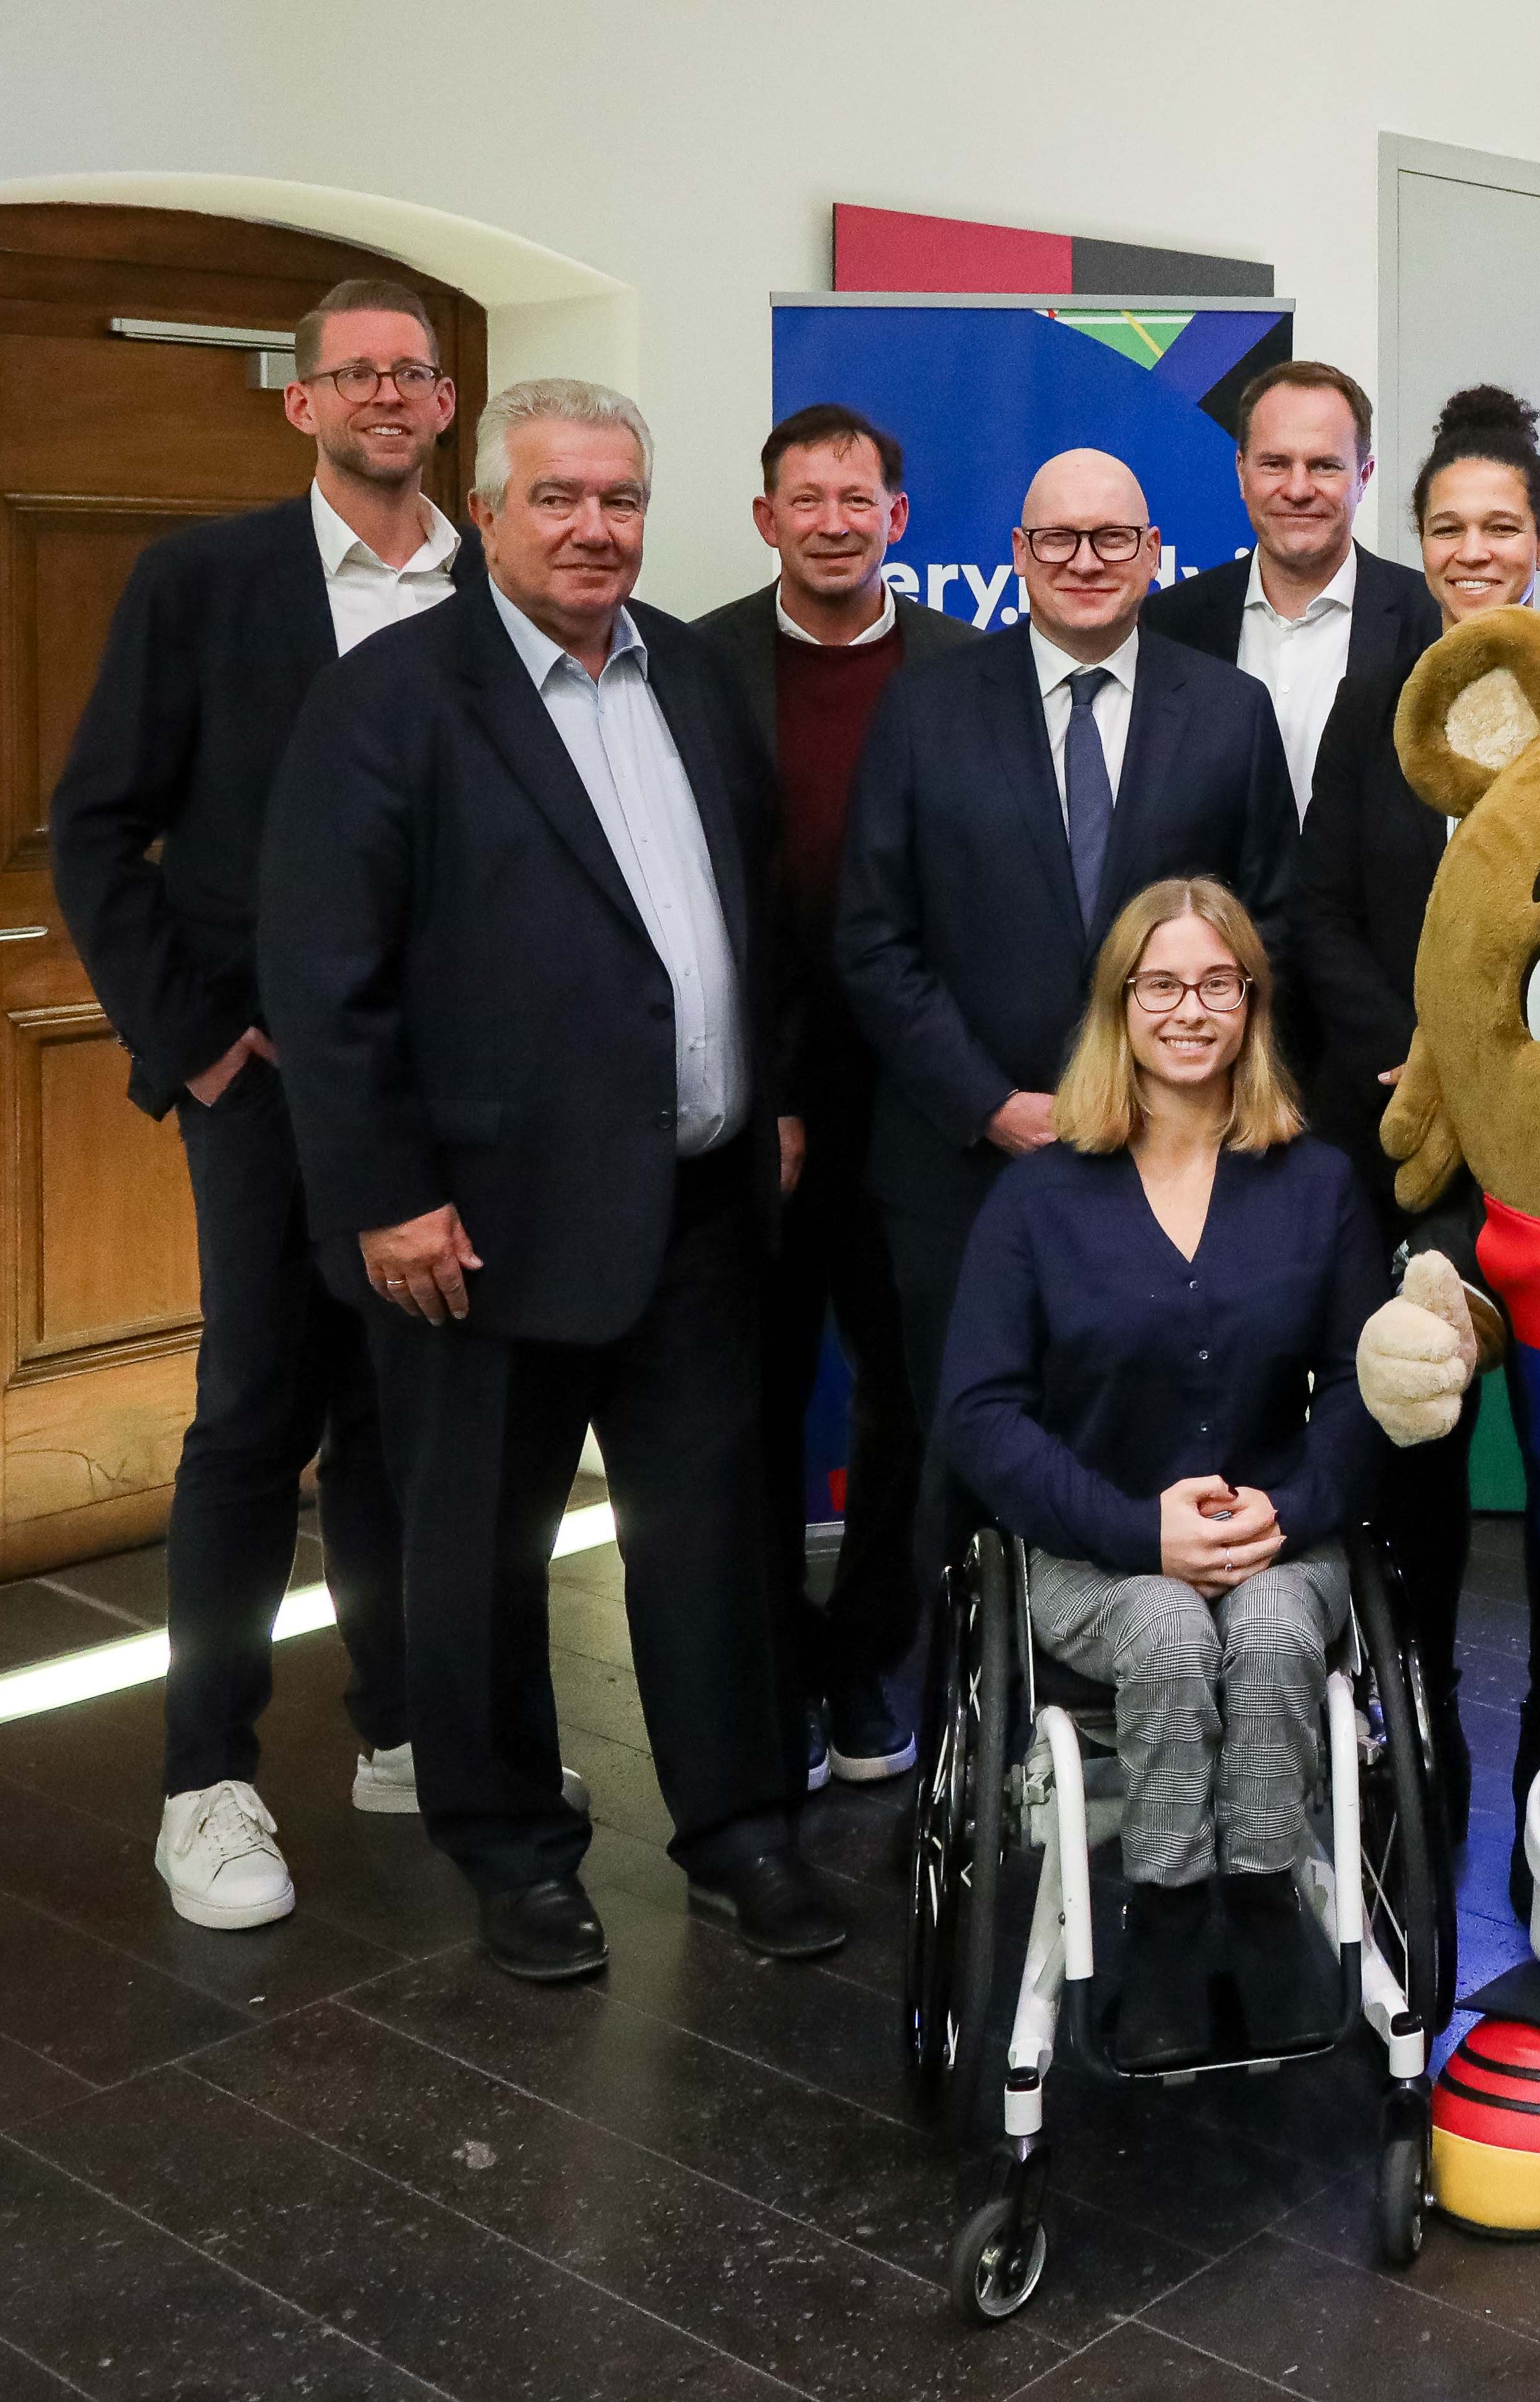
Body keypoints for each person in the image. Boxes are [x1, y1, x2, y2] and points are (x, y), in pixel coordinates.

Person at [260, 379, 838, 1983]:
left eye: (623, 499)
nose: (597, 528)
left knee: (714, 1539)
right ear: (492, 511)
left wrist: (767, 1094)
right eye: (561, 498)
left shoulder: (702, 679)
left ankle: (741, 1831)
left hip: (702, 1208)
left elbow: (754, 918)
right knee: (481, 1553)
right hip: (480, 1233)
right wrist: (384, 1192)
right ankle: (512, 1848)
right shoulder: (392, 698)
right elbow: (325, 974)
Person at [48, 277, 473, 1929]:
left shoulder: (489, 585)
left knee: (398, 1415)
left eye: (414, 375)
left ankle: (397, 1723)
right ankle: (204, 1781)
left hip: (449, 1089)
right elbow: (98, 827)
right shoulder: (202, 581)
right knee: (254, 1419)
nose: (385, 396)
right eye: (354, 375)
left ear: (447, 408)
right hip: (270, 1087)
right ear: (300, 405)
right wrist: (203, 1043)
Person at [937, 877, 1388, 2069]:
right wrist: (1143, 1536)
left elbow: (1361, 1390)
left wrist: (1286, 1511)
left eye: (1217, 984)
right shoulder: (1037, 1196)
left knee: (1283, 1632)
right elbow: (979, 1417)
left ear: (1250, 1002)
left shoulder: (1318, 1184)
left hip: (1277, 1535)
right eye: (1161, 985)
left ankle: (1261, 1906)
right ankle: (1170, 1922)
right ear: (1120, 1005)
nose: (1191, 1010)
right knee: (1170, 1635)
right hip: (1091, 1548)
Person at [1294, 384, 1540, 1842]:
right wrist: (1415, 1049)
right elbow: (1314, 912)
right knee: (1412, 1479)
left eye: (1502, 526)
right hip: (1412, 1160)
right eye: (1449, 526)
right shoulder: (1374, 704)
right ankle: (1411, 1753)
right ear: (1417, 540)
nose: (1475, 549)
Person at [833, 446, 1297, 1447]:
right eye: (1057, 538)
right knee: (958, 1466)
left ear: (1152, 552)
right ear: (1018, 552)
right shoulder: (922, 711)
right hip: (960, 1170)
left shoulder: (1228, 713)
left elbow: (1271, 931)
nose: (1084, 559)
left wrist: (1170, 1099)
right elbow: (874, 938)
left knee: (1149, 1461)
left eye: (1112, 537)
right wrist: (989, 1105)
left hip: (1172, 1167)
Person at [695, 404, 973, 1793]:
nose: (832, 520)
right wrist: (771, 1091)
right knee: (748, 1396)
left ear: (898, 518)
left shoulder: (968, 669)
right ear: (767, 521)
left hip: (925, 1101)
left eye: (857, 497)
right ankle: (770, 1674)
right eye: (804, 498)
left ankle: (869, 1654)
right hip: (753, 1103)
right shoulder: (695, 667)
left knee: (915, 1400)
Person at [1136, 360, 1442, 802]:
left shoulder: (1432, 624)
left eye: (1323, 466)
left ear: (1364, 476)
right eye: (1275, 464)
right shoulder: (1168, 625)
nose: (1298, 490)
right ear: (1241, 472)